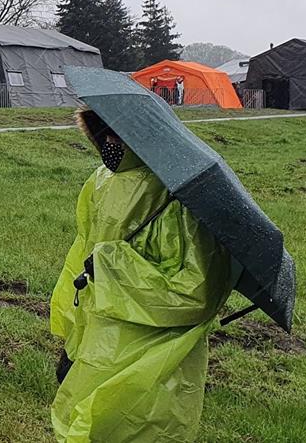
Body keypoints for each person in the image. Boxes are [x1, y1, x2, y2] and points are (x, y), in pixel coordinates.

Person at [49, 109, 232, 441]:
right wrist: (73, 337)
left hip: (153, 346)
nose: (108, 144)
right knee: (85, 422)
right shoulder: (100, 182)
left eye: (116, 135)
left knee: (139, 426)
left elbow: (196, 292)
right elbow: (82, 256)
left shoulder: (177, 199)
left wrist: (113, 265)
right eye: (103, 134)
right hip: (98, 331)